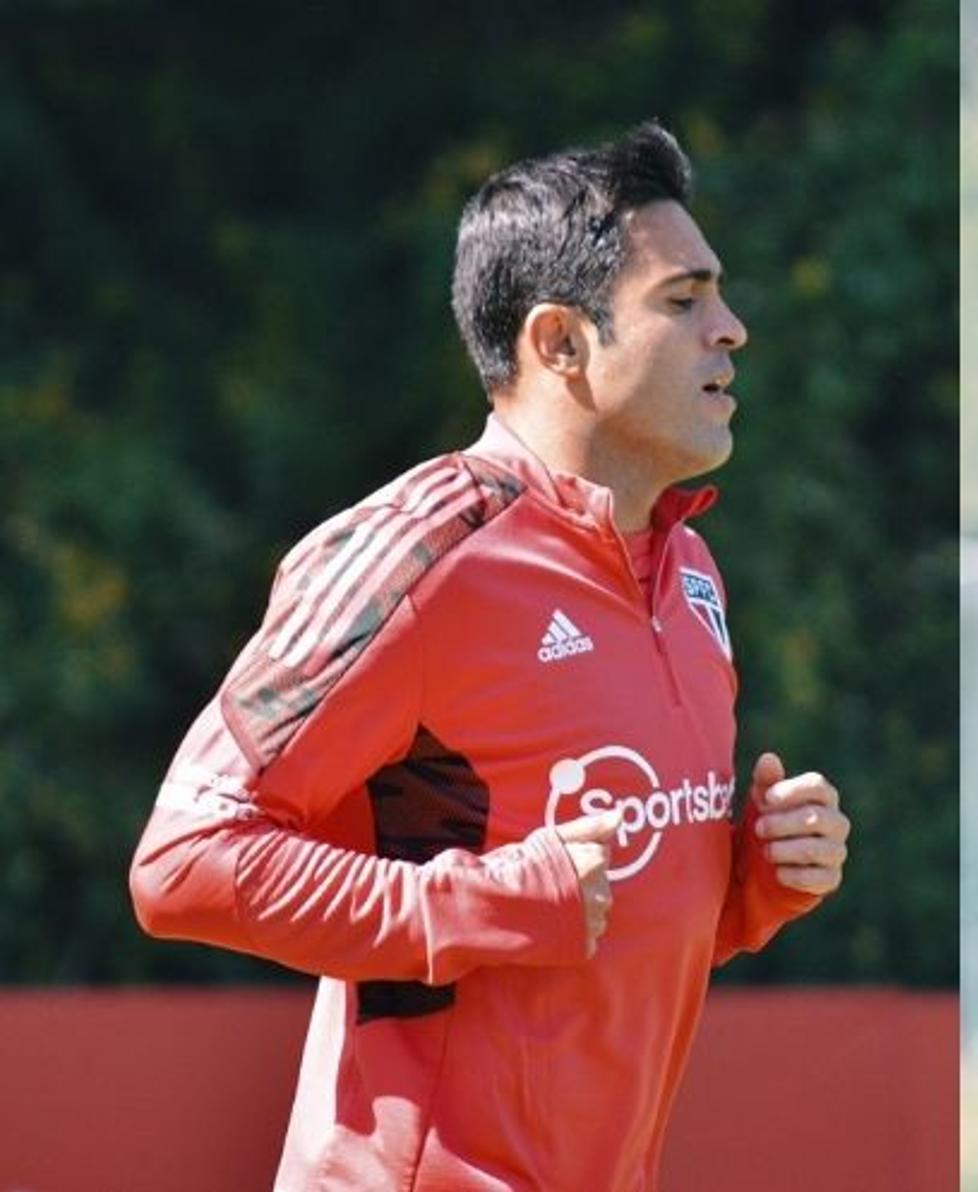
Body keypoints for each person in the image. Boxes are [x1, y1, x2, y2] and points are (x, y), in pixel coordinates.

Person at [129, 122, 852, 1191]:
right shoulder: (419, 555)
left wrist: (746, 880)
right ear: (560, 342)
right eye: (683, 299)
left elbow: (589, 904)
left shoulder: (688, 565)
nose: (732, 329)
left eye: (721, 296)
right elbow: (181, 862)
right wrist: (483, 903)